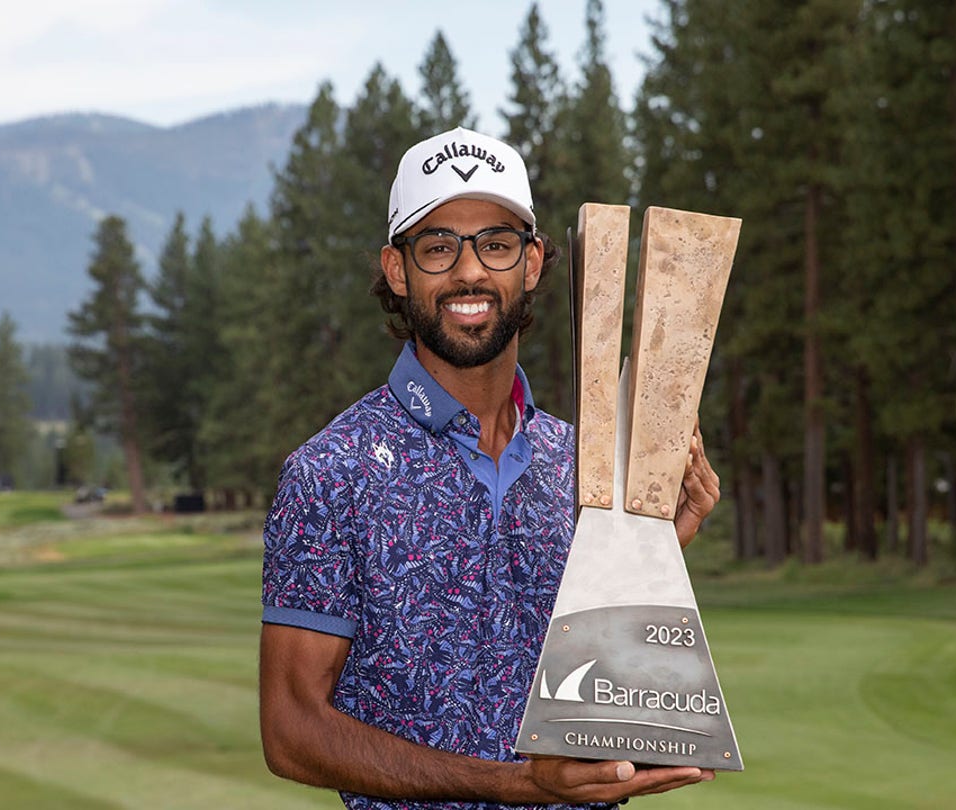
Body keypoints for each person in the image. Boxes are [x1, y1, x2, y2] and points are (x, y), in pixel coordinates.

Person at [260, 127, 722, 809]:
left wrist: (654, 547)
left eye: (496, 244)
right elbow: (292, 731)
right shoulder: (332, 473)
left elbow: (577, 673)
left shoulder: (583, 463)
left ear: (531, 264)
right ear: (398, 269)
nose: (469, 272)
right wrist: (517, 785)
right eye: (439, 246)